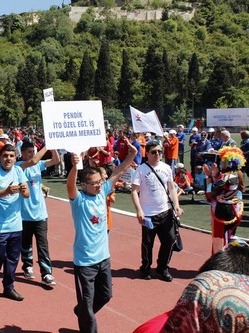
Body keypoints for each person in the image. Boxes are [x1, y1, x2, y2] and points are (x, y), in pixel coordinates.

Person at [67, 136, 137, 333]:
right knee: (88, 307)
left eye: (100, 182)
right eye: (94, 184)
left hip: (104, 259)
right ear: (84, 186)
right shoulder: (79, 201)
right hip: (84, 263)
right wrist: (74, 167)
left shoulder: (103, 192)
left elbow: (119, 170)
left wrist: (132, 154)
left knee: (105, 296)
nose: (99, 186)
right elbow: (70, 186)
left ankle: (81, 311)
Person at [131, 141, 184, 283]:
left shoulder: (166, 168)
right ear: (147, 153)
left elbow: (171, 188)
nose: (157, 154)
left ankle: (162, 267)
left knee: (169, 240)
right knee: (148, 244)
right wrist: (139, 210)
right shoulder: (140, 170)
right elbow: (134, 191)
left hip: (165, 212)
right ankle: (146, 268)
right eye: (154, 152)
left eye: (159, 151)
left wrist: (177, 206)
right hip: (148, 214)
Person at [0, 143, 30, 301]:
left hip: (16, 223)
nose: (8, 159)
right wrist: (6, 192)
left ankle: (8, 287)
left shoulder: (18, 170)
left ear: (15, 157)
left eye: (11, 156)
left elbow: (27, 194)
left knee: (13, 257)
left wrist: (24, 190)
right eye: (5, 156)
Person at [17, 141, 60, 286]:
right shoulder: (18, 167)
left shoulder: (38, 165)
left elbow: (56, 161)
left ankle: (46, 273)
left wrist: (53, 147)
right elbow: (33, 161)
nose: (32, 154)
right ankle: (27, 266)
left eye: (33, 151)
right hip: (24, 213)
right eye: (29, 152)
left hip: (40, 213)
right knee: (26, 242)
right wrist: (48, 142)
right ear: (22, 153)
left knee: (43, 244)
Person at [203, 146, 245, 254]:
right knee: (230, 235)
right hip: (235, 209)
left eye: (223, 161)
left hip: (223, 209)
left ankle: (219, 260)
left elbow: (210, 194)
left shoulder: (225, 177)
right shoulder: (239, 174)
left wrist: (208, 177)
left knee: (219, 237)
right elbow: (240, 190)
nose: (220, 162)